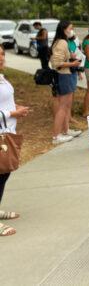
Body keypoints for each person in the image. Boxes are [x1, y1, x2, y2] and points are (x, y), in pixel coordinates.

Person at [0, 45, 31, 237]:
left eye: (2, 54)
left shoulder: (1, 77)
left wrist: (15, 107)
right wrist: (13, 112)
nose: (1, 58)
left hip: (7, 133)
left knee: (3, 174)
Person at [49, 20, 81, 144]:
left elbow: (61, 58)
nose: (72, 31)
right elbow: (56, 63)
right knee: (63, 107)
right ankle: (56, 136)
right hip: (64, 76)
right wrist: (73, 63)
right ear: (64, 29)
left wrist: (71, 57)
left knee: (67, 106)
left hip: (68, 75)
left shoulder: (63, 41)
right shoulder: (61, 42)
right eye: (70, 28)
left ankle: (66, 130)